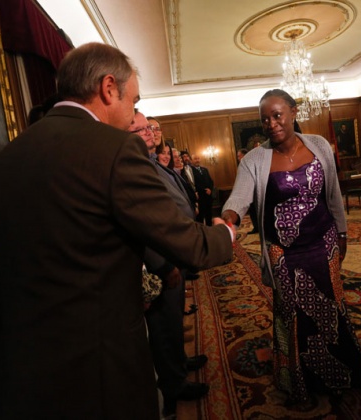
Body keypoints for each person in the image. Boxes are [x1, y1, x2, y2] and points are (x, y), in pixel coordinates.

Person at [0, 43, 235, 420]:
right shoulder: (114, 149)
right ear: (108, 88)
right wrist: (226, 234)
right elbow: (186, 244)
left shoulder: (6, 157)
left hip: (24, 364)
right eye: (133, 102)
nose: (133, 115)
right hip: (100, 362)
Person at [222, 89, 361, 405]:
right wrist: (228, 218)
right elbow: (240, 197)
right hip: (284, 253)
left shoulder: (319, 145)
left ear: (293, 112)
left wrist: (342, 233)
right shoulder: (254, 159)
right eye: (265, 119)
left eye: (277, 115)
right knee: (292, 315)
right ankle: (300, 381)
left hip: (324, 244)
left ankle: (343, 371)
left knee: (332, 307)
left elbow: (332, 195)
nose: (271, 123)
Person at [128, 111, 208, 417]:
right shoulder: (137, 167)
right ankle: (174, 383)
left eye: (150, 127)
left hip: (175, 251)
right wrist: (163, 264)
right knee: (163, 325)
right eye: (141, 129)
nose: (149, 132)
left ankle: (180, 363)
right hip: (161, 259)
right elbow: (145, 223)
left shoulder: (152, 162)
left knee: (174, 319)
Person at [191, 153, 215, 226]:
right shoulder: (191, 171)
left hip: (208, 197)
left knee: (209, 215)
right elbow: (194, 184)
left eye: (198, 158)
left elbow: (211, 181)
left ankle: (210, 230)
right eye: (195, 159)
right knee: (200, 217)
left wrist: (210, 189)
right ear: (191, 160)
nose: (197, 160)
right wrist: (205, 190)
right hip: (200, 197)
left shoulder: (205, 169)